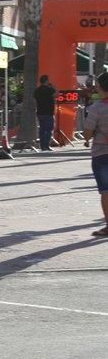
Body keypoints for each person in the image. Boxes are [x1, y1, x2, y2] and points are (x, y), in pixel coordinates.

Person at [82, 71, 108, 237]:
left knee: (106, 191)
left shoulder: (96, 109)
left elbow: (87, 134)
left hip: (102, 154)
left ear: (101, 88)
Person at [34, 74, 56, 151]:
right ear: (46, 81)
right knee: (49, 129)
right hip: (48, 112)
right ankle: (46, 145)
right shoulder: (49, 89)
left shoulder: (37, 90)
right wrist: (53, 88)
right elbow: (56, 95)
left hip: (40, 112)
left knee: (42, 129)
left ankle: (42, 145)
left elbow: (35, 100)